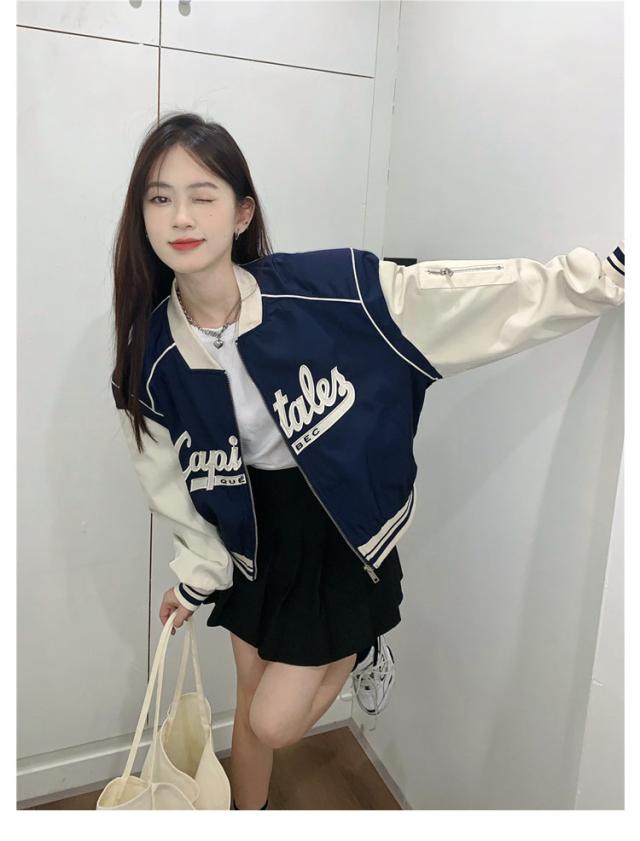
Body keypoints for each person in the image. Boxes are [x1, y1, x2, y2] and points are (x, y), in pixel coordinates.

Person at [110, 112, 625, 810]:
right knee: (249, 697)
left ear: (242, 213)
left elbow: (457, 297)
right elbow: (169, 484)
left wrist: (595, 281)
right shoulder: (150, 357)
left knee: (274, 720)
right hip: (250, 532)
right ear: (141, 215)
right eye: (160, 197)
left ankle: (362, 637)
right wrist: (197, 576)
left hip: (335, 519)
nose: (181, 216)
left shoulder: (326, 291)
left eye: (203, 196)